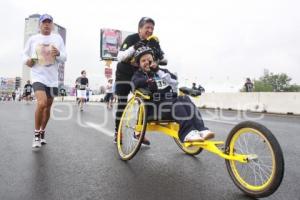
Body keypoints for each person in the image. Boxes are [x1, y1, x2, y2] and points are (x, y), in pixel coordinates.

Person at [131, 46, 214, 142]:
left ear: (153, 60)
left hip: (169, 103)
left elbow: (174, 79)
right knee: (175, 103)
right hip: (154, 108)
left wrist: (158, 71)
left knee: (184, 99)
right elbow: (134, 83)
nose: (147, 62)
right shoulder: (138, 75)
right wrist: (148, 81)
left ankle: (201, 129)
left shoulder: (162, 71)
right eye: (143, 60)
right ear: (139, 64)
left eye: (149, 59)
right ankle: (187, 133)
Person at [114, 17, 166, 144]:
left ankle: (138, 133)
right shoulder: (131, 38)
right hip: (124, 74)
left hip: (139, 75)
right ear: (140, 29)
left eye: (152, 28)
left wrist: (159, 57)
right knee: (122, 103)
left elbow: (164, 60)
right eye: (147, 27)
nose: (150, 30)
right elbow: (119, 57)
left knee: (144, 102)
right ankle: (117, 132)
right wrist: (134, 47)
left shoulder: (153, 42)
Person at [23, 14, 67, 149]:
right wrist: (28, 61)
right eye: (44, 22)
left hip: (52, 79)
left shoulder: (58, 38)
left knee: (48, 107)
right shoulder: (33, 39)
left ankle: (42, 130)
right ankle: (36, 134)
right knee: (41, 103)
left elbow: (64, 58)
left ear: (52, 25)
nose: (47, 24)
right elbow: (24, 55)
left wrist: (59, 53)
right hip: (38, 76)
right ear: (40, 25)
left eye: (49, 22)